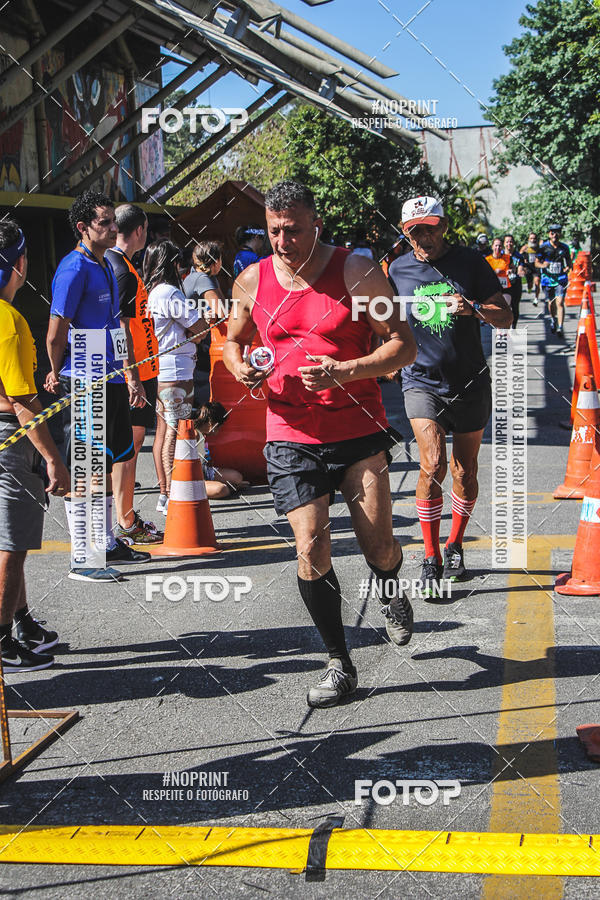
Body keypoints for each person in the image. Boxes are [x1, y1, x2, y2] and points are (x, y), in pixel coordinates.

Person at [224, 180, 417, 709]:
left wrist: (346, 371)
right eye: (273, 230)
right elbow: (231, 342)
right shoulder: (251, 280)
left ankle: (390, 586)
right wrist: (241, 368)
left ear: (317, 226)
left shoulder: (355, 271)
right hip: (290, 436)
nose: (282, 241)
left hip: (356, 432)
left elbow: (404, 344)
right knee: (310, 548)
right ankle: (339, 663)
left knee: (378, 544)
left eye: (293, 230)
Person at [388, 196, 512, 596]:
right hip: (420, 380)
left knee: (465, 470)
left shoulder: (472, 263)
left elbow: (506, 316)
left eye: (429, 227)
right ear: (405, 234)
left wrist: (474, 308)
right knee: (433, 462)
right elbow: (382, 317)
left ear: (443, 226)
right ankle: (429, 556)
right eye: (414, 230)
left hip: (470, 381)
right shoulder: (397, 269)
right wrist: (383, 357)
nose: (423, 236)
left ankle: (455, 544)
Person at [46, 191, 151, 582]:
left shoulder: (106, 262)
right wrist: (55, 371)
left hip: (110, 374)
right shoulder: (73, 269)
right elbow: (57, 332)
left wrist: (130, 373)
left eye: (112, 221)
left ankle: (105, 542)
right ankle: (83, 558)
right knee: (87, 466)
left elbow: (116, 325)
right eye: (104, 222)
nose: (112, 228)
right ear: (82, 228)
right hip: (86, 373)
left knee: (106, 461)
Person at [0, 220, 70, 671]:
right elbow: (23, 401)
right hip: (8, 438)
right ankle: (2, 640)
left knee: (9, 540)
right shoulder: (10, 321)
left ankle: (19, 621)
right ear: (19, 264)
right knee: (13, 543)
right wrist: (53, 460)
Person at [105, 203, 162, 545]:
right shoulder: (122, 270)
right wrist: (132, 377)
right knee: (129, 449)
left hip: (140, 369)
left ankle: (125, 518)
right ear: (140, 230)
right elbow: (121, 329)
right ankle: (126, 521)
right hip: (135, 372)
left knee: (128, 447)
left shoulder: (119, 264)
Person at [145, 240, 210, 511]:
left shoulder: (153, 292)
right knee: (176, 431)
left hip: (162, 369)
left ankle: (164, 493)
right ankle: (173, 494)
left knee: (163, 431)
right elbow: (200, 328)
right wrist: (196, 329)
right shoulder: (171, 293)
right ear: (173, 264)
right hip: (177, 372)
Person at [194, 401, 247, 499]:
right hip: (192, 477)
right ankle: (229, 488)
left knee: (237, 478)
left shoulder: (201, 434)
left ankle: (227, 487)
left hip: (203, 471)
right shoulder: (195, 435)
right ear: (211, 424)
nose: (219, 431)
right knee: (222, 489)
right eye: (219, 427)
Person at [535, 224, 572, 336]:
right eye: (552, 232)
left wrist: (567, 268)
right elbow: (536, 263)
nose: (554, 235)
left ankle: (560, 327)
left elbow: (569, 263)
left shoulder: (564, 247)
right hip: (548, 280)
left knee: (560, 302)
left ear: (560, 234)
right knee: (551, 303)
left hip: (560, 279)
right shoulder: (543, 247)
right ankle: (553, 319)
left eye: (557, 232)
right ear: (549, 234)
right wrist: (543, 266)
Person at [503, 234, 526, 328]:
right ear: (504, 244)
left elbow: (520, 269)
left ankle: (514, 326)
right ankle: (505, 327)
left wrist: (520, 271)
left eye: (511, 241)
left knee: (515, 307)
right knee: (505, 307)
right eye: (507, 242)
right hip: (504, 285)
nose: (509, 244)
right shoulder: (500, 255)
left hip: (515, 284)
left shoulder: (519, 256)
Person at [520, 231, 541, 305]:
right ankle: (529, 288)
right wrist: (523, 262)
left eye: (534, 238)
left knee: (537, 282)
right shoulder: (525, 247)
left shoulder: (539, 247)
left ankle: (536, 299)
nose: (533, 240)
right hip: (528, 268)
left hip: (536, 268)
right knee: (530, 284)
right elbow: (519, 257)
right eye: (531, 238)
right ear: (528, 239)